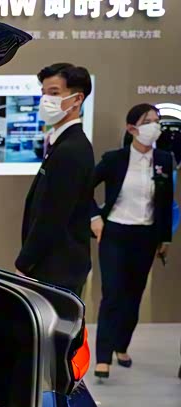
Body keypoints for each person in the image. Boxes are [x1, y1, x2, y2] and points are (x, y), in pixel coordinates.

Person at [91, 104, 174, 379]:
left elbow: (165, 203)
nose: (154, 126)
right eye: (147, 121)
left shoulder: (164, 160)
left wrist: (165, 238)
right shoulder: (114, 159)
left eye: (156, 120)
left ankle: (121, 345)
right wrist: (94, 217)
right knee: (112, 293)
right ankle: (103, 357)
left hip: (146, 236)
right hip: (115, 233)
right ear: (132, 128)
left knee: (133, 295)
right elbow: (84, 187)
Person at [16, 63, 95, 296]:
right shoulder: (62, 143)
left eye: (54, 93)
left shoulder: (72, 149)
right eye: (43, 93)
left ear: (77, 99)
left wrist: (25, 262)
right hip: (54, 265)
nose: (45, 100)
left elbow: (53, 215)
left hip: (58, 268)